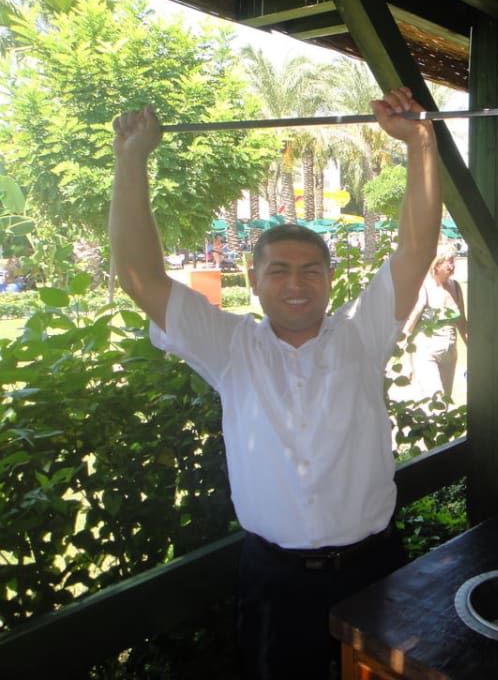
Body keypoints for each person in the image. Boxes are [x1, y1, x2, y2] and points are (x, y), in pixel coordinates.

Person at [109, 87, 441, 679]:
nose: (296, 284)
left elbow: (416, 249)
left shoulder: (362, 334)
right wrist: (130, 159)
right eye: (279, 270)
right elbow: (140, 277)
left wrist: (420, 144)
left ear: (330, 278)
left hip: (375, 572)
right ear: (254, 278)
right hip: (273, 582)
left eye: (311, 270)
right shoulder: (229, 347)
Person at [402, 247, 468, 399]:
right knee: (435, 400)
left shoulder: (456, 287)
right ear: (436, 265)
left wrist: (475, 353)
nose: (452, 266)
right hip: (426, 353)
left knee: (445, 400)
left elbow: (462, 324)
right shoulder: (424, 288)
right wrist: (406, 363)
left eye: (453, 261)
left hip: (450, 354)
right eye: (448, 262)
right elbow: (408, 327)